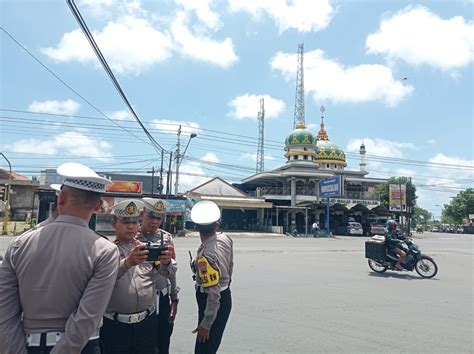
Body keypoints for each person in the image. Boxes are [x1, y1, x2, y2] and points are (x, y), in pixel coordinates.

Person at [0, 162, 119, 354]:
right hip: (80, 347)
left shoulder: (19, 243)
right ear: (98, 205)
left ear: (61, 198)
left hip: (26, 344)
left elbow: (4, 313)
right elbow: (87, 317)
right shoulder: (105, 250)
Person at [100, 199, 176, 354]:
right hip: (116, 326)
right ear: (114, 223)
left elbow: (165, 273)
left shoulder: (145, 248)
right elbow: (102, 280)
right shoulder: (106, 250)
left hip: (146, 323)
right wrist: (127, 263)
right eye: (125, 221)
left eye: (135, 221)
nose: (131, 226)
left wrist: (166, 263)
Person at [191, 200, 234, 354]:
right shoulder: (225, 238)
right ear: (218, 223)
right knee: (212, 345)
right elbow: (230, 265)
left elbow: (214, 295)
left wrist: (206, 323)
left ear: (195, 226)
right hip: (226, 294)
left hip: (211, 301)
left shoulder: (206, 255)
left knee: (204, 349)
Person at [137, 197, 179, 354]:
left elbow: (172, 271)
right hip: (141, 301)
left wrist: (174, 298)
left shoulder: (166, 238)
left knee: (163, 340)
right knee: (144, 344)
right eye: (151, 216)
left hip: (162, 297)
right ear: (142, 214)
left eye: (158, 218)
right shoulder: (132, 237)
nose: (154, 222)